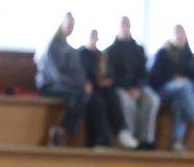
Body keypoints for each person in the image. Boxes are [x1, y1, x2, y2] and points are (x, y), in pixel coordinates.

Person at [149, 24, 194, 153]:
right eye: (176, 33)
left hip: (184, 94)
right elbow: (153, 78)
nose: (179, 36)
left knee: (180, 102)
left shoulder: (192, 58)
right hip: (163, 91)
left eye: (181, 33)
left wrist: (185, 82)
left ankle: (176, 142)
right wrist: (174, 79)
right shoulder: (162, 54)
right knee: (184, 87)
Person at [105, 16, 160, 150]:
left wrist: (138, 88)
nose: (124, 26)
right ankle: (131, 139)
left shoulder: (139, 49)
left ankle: (146, 140)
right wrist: (128, 88)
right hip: (120, 88)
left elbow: (144, 72)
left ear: (130, 26)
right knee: (126, 101)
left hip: (138, 88)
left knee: (152, 99)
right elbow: (111, 76)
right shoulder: (110, 51)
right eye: (122, 24)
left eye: (126, 24)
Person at [34, 13, 89, 147]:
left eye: (72, 24)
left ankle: (62, 131)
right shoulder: (52, 45)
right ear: (61, 24)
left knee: (84, 95)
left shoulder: (70, 49)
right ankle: (61, 131)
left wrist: (84, 83)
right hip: (49, 86)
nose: (70, 26)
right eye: (68, 23)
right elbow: (57, 76)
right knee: (77, 95)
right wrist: (79, 85)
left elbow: (78, 72)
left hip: (67, 86)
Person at [77, 29, 135, 149]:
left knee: (113, 96)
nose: (94, 39)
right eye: (91, 36)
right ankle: (102, 140)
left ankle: (122, 131)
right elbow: (78, 73)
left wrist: (108, 80)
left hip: (102, 88)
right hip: (87, 88)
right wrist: (86, 83)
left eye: (95, 36)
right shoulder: (80, 54)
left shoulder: (102, 56)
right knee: (97, 102)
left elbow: (109, 72)